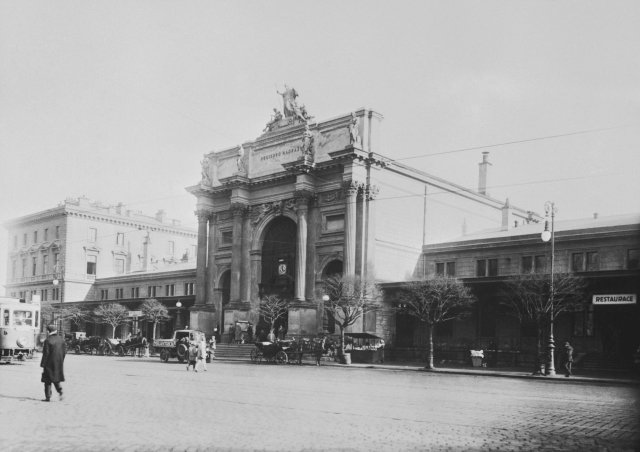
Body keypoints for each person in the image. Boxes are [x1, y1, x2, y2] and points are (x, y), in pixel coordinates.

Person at [40, 324, 66, 402]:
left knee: (47, 380)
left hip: (49, 363)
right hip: (58, 362)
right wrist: (61, 360)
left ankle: (48, 397)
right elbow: (64, 352)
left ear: (48, 331)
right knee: (56, 378)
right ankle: (60, 391)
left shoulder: (48, 340)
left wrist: (43, 364)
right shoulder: (61, 339)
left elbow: (46, 354)